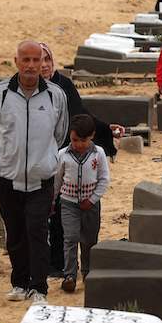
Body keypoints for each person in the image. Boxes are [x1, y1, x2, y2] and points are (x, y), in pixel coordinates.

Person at [0, 40, 69, 305]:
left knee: (37, 230)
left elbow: (60, 133)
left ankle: (39, 288)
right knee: (15, 233)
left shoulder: (56, 95)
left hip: (41, 178)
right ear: (17, 62)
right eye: (27, 60)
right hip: (7, 177)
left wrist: (42, 158)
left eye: (38, 60)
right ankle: (19, 283)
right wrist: (8, 157)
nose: (33, 66)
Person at [38, 43, 118, 279]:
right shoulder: (29, 89)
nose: (42, 65)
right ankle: (54, 262)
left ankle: (71, 268)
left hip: (66, 152)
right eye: (37, 60)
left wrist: (105, 129)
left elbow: (80, 112)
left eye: (46, 60)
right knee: (48, 211)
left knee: (65, 216)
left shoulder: (63, 84)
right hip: (40, 155)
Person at [52, 114, 110, 293]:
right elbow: (57, 181)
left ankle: (87, 272)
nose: (78, 144)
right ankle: (69, 275)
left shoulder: (98, 154)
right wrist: (53, 201)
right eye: (74, 140)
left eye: (82, 140)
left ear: (91, 136)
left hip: (91, 205)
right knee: (70, 238)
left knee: (89, 240)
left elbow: (104, 180)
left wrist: (92, 199)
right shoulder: (62, 155)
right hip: (68, 204)